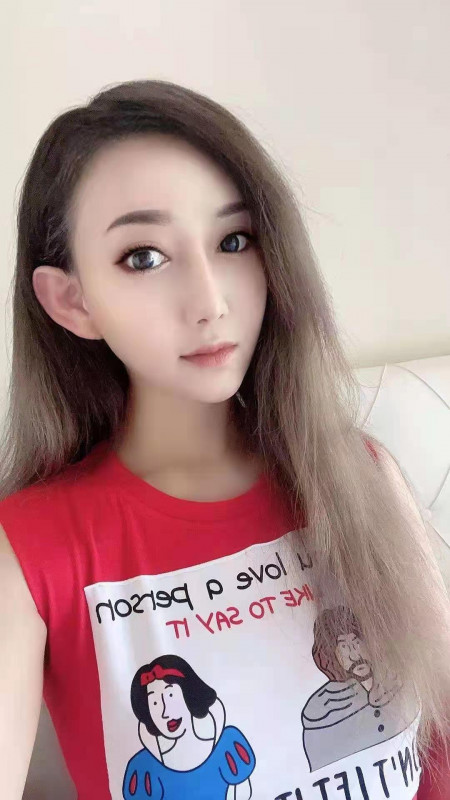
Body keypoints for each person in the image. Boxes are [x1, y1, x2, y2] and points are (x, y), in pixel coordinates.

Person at [0, 79, 448, 800]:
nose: (211, 302)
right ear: (72, 301)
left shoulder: (362, 474)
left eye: (233, 241)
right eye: (144, 256)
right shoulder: (30, 551)